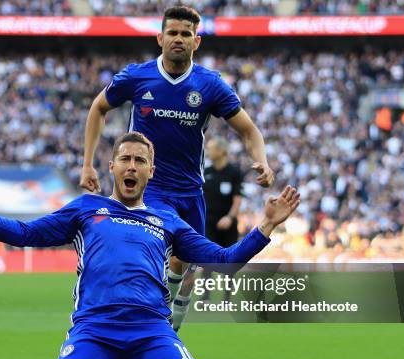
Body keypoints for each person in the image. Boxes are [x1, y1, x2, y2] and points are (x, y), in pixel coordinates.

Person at [0, 132, 299, 359]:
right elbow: (25, 233)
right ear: (111, 166)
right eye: (125, 159)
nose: (132, 166)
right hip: (96, 329)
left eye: (140, 161)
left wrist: (265, 225)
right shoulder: (85, 209)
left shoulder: (167, 220)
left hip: (150, 332)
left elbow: (225, 258)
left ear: (150, 171)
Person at [79, 6, 274, 331]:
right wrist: (87, 163)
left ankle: (173, 320)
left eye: (186, 34)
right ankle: (146, 321)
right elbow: (98, 108)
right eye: (173, 33)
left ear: (196, 41)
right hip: (150, 188)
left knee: (185, 265)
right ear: (160, 38)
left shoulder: (210, 85)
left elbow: (249, 130)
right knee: (154, 255)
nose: (179, 39)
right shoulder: (137, 77)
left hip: (190, 191)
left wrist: (262, 160)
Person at [202, 137, 244, 301]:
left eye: (211, 148)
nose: (209, 151)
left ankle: (227, 297)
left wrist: (230, 217)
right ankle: (206, 296)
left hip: (229, 222)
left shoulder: (234, 172)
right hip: (209, 222)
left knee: (230, 260)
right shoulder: (206, 172)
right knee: (207, 258)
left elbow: (238, 198)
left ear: (222, 151)